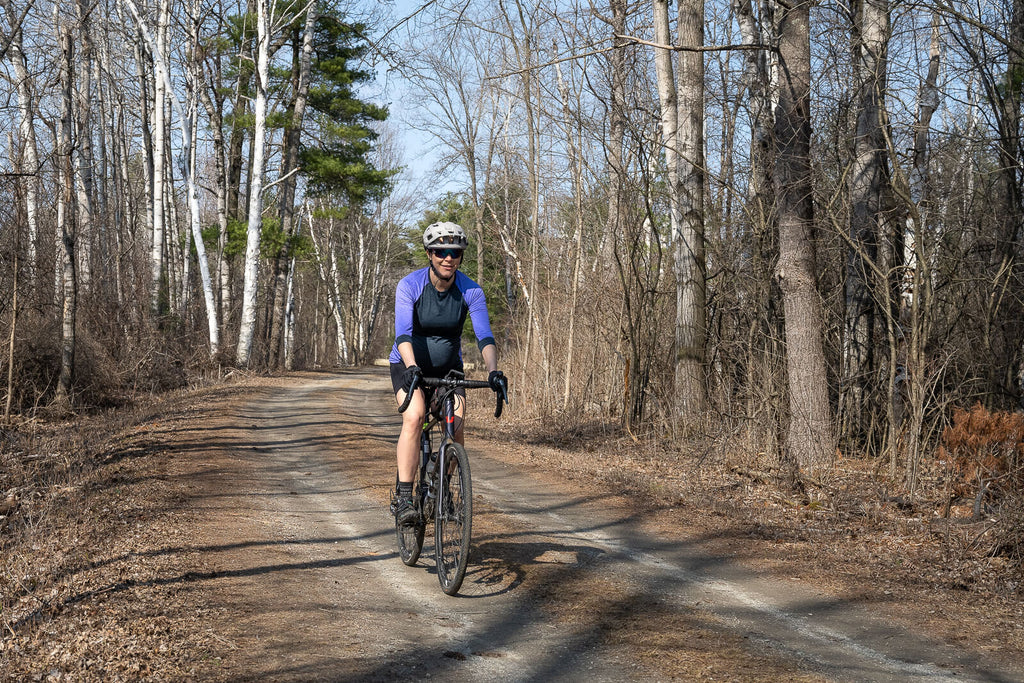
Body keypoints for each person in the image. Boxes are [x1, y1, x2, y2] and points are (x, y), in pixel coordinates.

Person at [388, 221, 508, 525]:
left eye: (454, 252)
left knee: (456, 423)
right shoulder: (410, 285)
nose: (448, 257)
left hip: (448, 369)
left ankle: (443, 489)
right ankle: (404, 499)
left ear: (460, 257)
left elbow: (485, 337)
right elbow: (403, 334)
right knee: (414, 416)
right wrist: (413, 366)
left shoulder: (471, 290)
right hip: (408, 363)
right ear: (429, 253)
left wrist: (494, 371)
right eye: (441, 251)